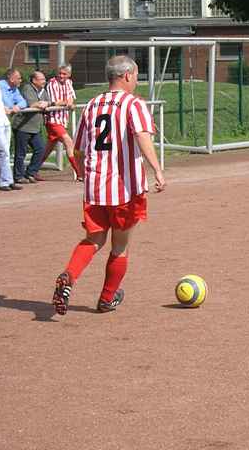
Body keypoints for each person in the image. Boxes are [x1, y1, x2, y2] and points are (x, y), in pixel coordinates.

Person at [52, 55, 166, 315]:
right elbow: (141, 137)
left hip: (94, 187)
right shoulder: (133, 104)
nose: (136, 81)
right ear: (127, 76)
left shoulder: (91, 104)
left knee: (93, 239)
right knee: (120, 246)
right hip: (125, 188)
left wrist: (80, 170)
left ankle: (69, 276)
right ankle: (106, 298)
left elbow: (78, 148)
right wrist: (157, 170)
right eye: (136, 76)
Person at [42, 64, 80, 178]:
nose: (61, 76)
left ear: (69, 75)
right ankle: (79, 173)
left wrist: (69, 101)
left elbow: (71, 96)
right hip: (53, 120)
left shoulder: (69, 82)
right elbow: (54, 102)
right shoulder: (52, 83)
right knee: (69, 143)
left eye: (64, 74)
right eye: (59, 73)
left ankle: (31, 171)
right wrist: (67, 103)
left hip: (63, 120)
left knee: (48, 149)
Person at [11, 71, 50, 184]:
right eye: (41, 79)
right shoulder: (27, 88)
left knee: (41, 149)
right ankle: (18, 176)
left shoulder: (43, 91)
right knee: (21, 153)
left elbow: (47, 102)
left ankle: (30, 173)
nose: (44, 81)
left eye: (44, 79)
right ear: (34, 81)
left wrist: (46, 104)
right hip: (23, 126)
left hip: (35, 127)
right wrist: (40, 104)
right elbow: (31, 104)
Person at [0, 69, 27, 191]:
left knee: (6, 152)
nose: (20, 80)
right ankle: (5, 181)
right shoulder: (0, 85)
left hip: (4, 120)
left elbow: (20, 102)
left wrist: (11, 107)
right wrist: (7, 107)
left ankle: (7, 180)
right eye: (18, 77)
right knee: (3, 151)